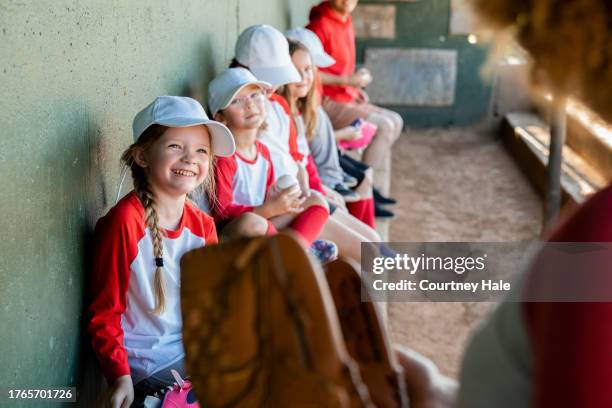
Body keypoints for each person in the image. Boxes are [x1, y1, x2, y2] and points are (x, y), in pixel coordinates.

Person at [87, 96, 235, 408]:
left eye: (201, 151)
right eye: (175, 146)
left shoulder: (203, 224)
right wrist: (120, 376)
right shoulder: (124, 222)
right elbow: (105, 312)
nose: (190, 158)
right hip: (148, 366)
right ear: (142, 156)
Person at [208, 67, 332, 253]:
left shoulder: (263, 152)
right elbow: (221, 213)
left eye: (255, 95)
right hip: (235, 234)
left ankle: (300, 250)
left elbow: (267, 196)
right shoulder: (225, 157)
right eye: (236, 101)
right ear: (221, 117)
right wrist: (267, 209)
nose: (249, 105)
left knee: (315, 199)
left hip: (264, 222)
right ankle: (293, 257)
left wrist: (281, 202)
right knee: (252, 222)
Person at [307, 0, 404, 172]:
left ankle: (372, 186)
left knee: (395, 120)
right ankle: (363, 185)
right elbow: (307, 73)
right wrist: (347, 82)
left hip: (346, 97)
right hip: (324, 101)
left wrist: (354, 88)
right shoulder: (319, 26)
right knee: (384, 126)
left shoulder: (346, 20)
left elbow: (340, 69)